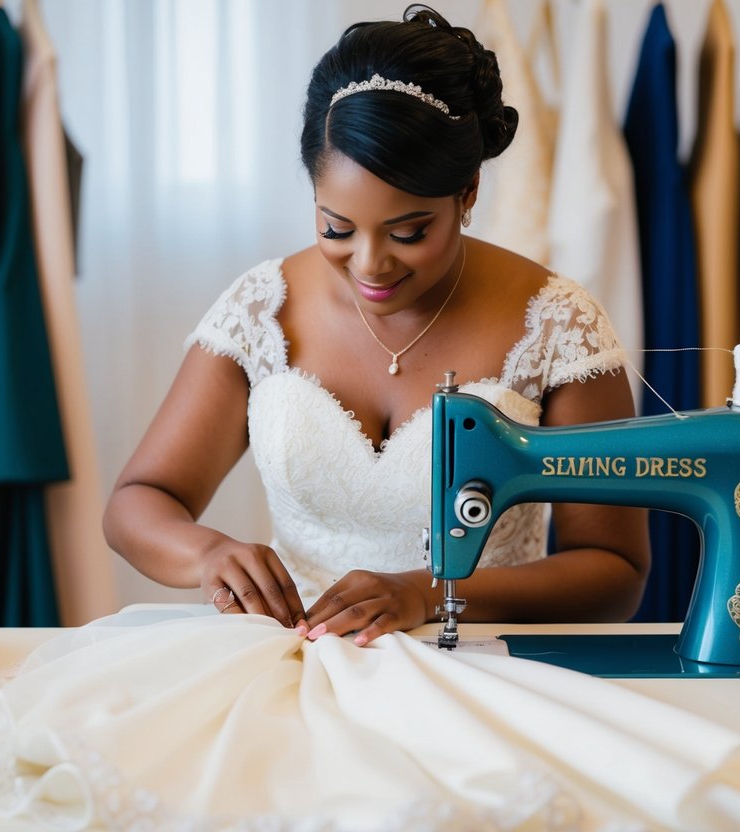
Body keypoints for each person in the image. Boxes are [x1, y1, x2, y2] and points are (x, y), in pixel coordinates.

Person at [102, 4, 649, 647]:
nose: (369, 264)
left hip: (479, 661)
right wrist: (207, 553)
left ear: (468, 193)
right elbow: (139, 500)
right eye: (336, 227)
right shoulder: (262, 310)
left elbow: (616, 571)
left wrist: (432, 593)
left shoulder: (557, 324)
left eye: (408, 232)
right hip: (290, 657)